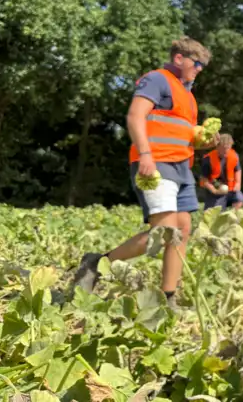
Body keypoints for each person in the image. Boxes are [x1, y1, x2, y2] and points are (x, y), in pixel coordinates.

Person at [73, 36, 216, 309]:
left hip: (182, 168)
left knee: (183, 229)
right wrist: (146, 154)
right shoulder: (157, 79)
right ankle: (97, 263)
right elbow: (136, 116)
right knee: (165, 232)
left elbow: (184, 134)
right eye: (196, 64)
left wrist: (205, 142)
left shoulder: (188, 96)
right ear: (179, 58)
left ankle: (168, 298)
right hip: (156, 163)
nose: (199, 70)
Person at [199, 133, 243, 211]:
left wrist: (238, 184)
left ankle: (232, 218)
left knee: (239, 198)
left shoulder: (234, 156)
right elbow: (204, 180)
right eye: (224, 148)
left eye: (228, 148)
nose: (226, 151)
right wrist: (215, 191)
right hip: (215, 189)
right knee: (214, 213)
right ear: (217, 147)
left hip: (230, 189)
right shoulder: (208, 159)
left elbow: (238, 170)